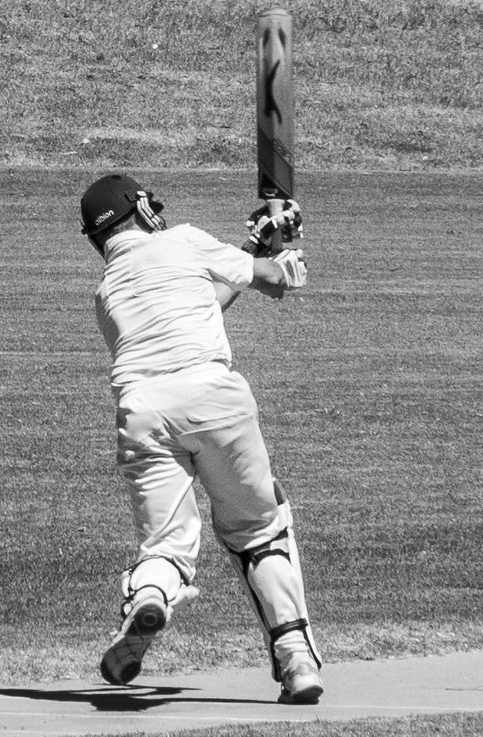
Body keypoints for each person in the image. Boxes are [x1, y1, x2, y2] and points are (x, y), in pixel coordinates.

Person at [81, 173, 325, 704]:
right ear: (139, 208)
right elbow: (277, 280)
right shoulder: (184, 239)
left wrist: (253, 245)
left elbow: (203, 302)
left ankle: (150, 595)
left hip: (143, 410)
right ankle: (296, 658)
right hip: (215, 399)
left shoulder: (106, 292)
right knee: (258, 528)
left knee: (167, 545)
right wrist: (284, 247)